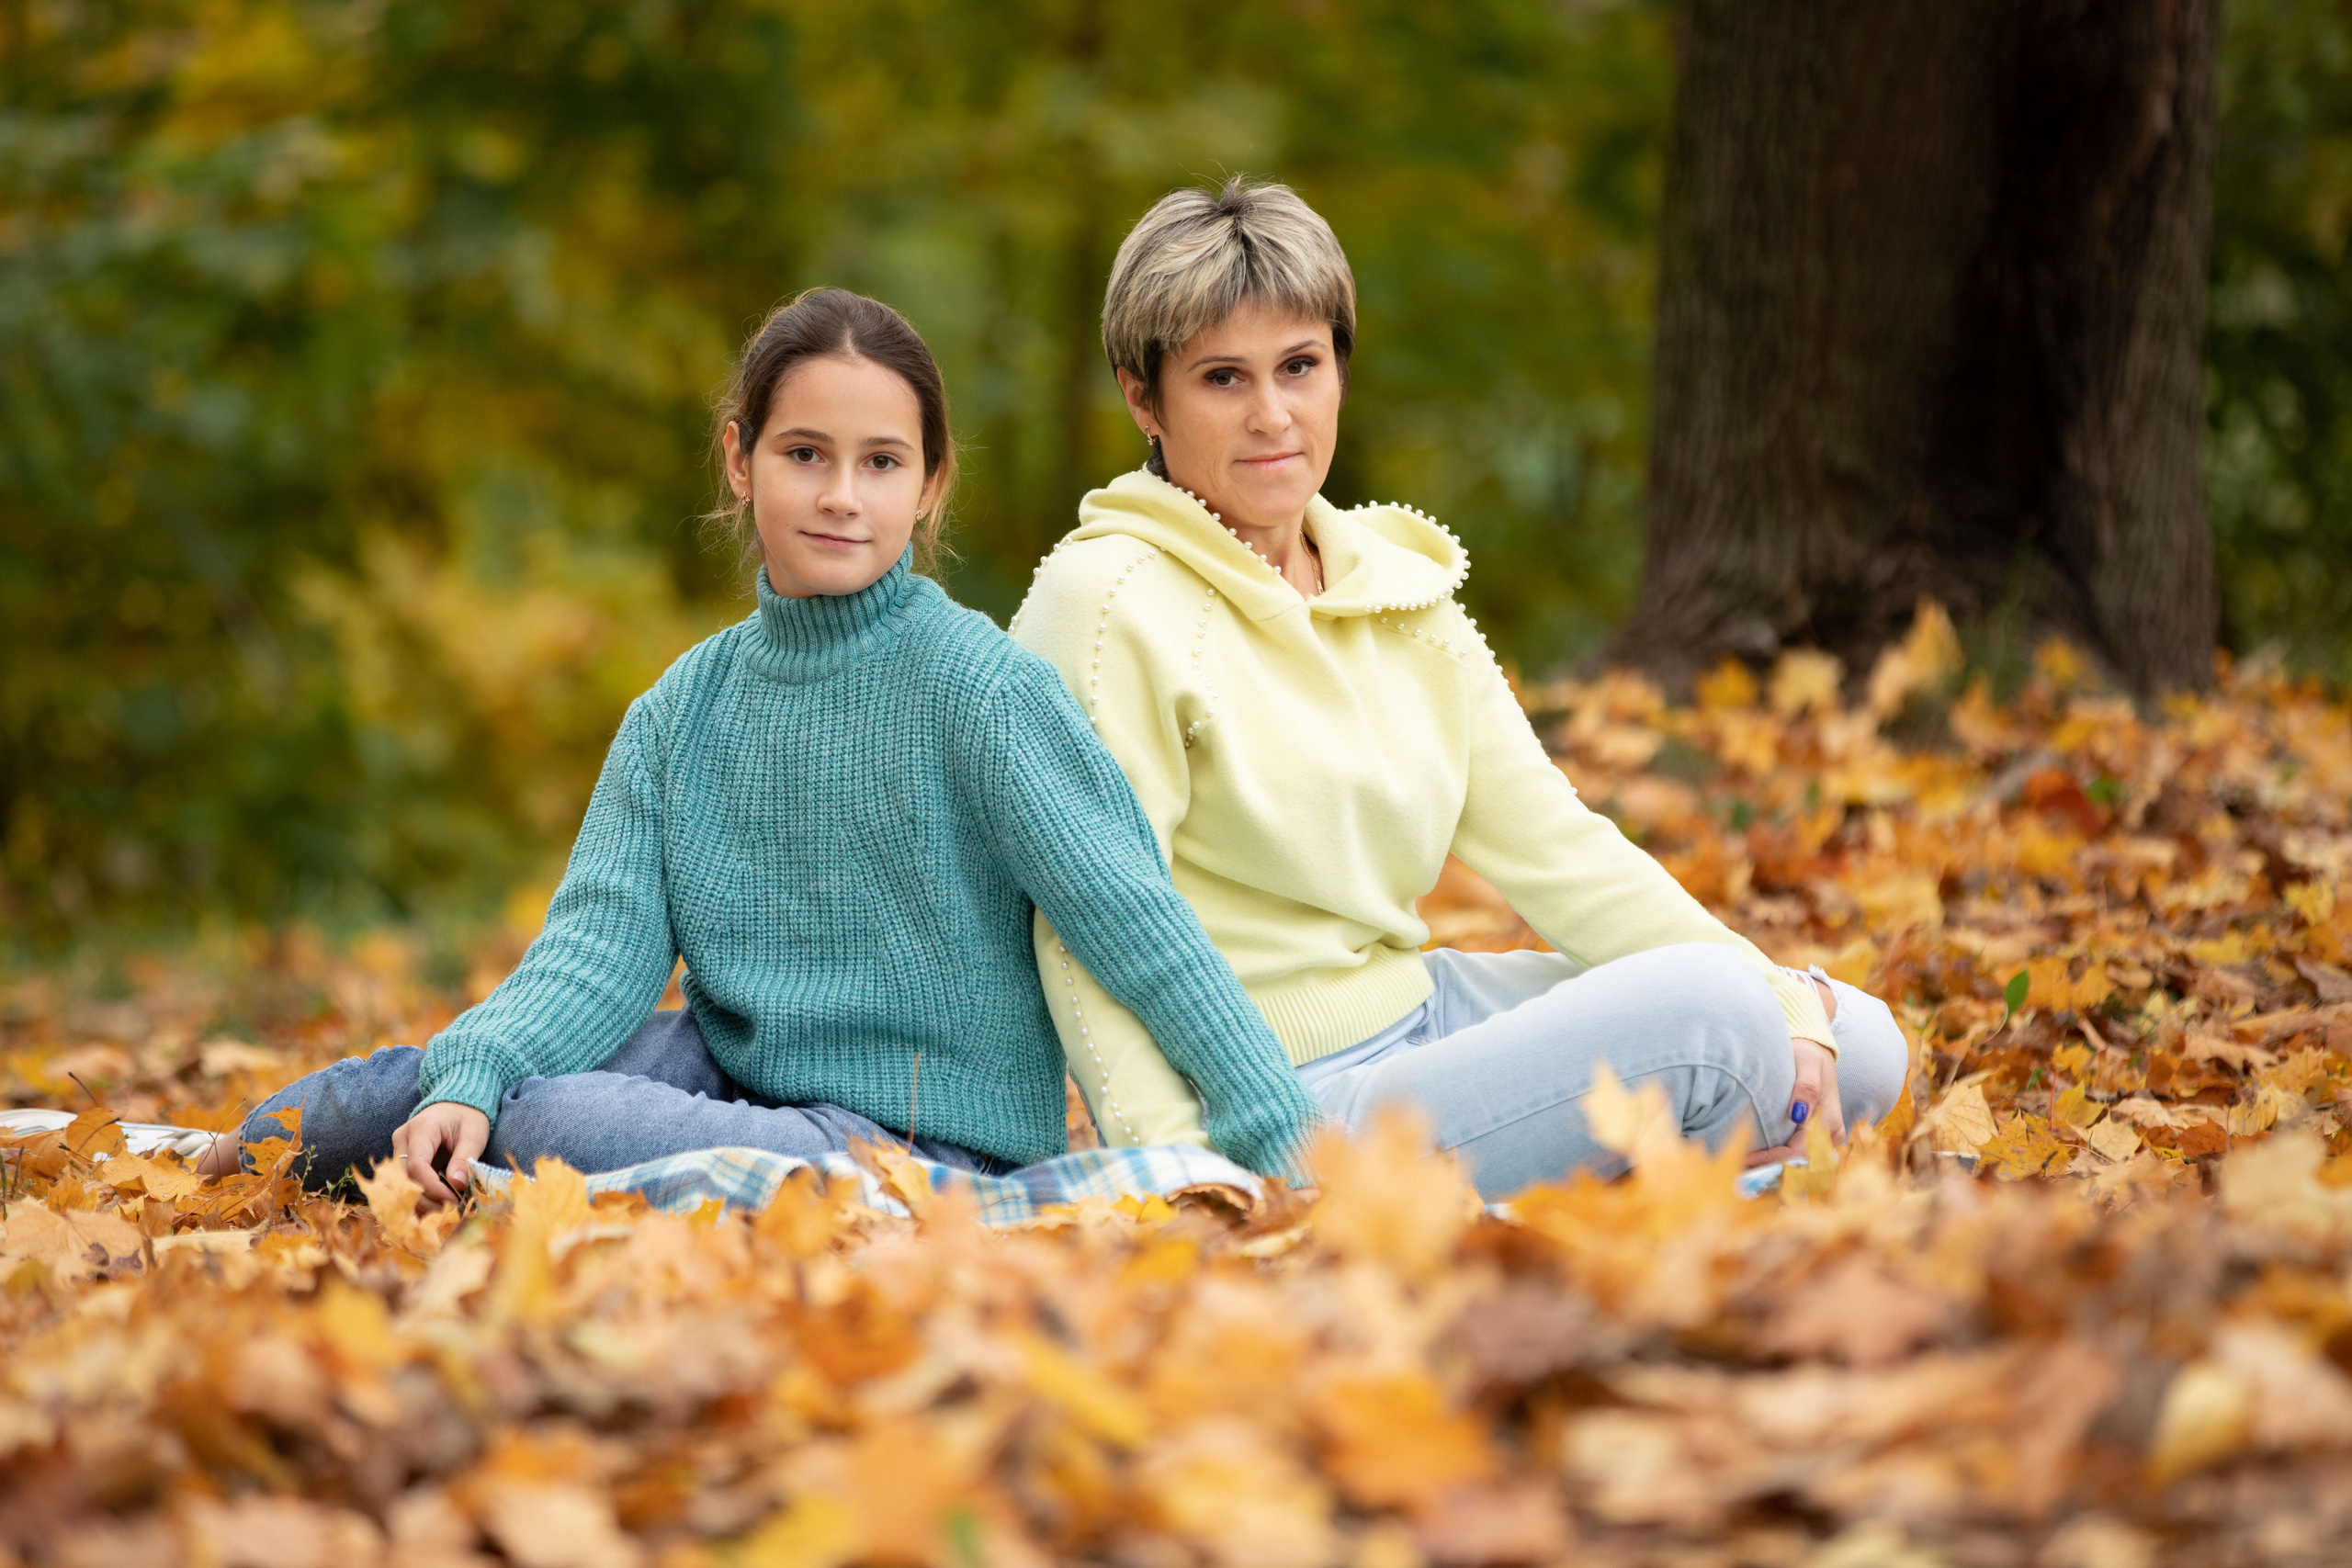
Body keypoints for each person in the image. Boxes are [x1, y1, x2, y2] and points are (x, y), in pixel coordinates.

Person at [201, 287, 1319, 1202]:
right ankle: (203, 1168)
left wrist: (1279, 1139)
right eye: (805, 454)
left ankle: (490, 1136)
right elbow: (596, 952)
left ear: (929, 484)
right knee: (416, 1089)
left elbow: (1137, 924)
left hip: (916, 1144)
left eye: (881, 463)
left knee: (544, 1117)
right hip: (730, 1078)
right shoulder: (679, 711)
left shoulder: (983, 691)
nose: (841, 496)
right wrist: (475, 1073)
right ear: (741, 461)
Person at [1009, 179, 1910, 1201]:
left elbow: (1561, 851)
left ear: (1338, 369)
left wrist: (1785, 1006)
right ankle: (1653, 1177)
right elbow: (1083, 926)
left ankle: (1612, 1184)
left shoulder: (1392, 587)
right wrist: (1178, 1181)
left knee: (1852, 1039)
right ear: (1143, 398)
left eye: (1300, 366)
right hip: (1285, 1100)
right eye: (1223, 378)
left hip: (1426, 1019)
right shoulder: (1105, 602)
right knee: (1722, 1015)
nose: (1273, 415)